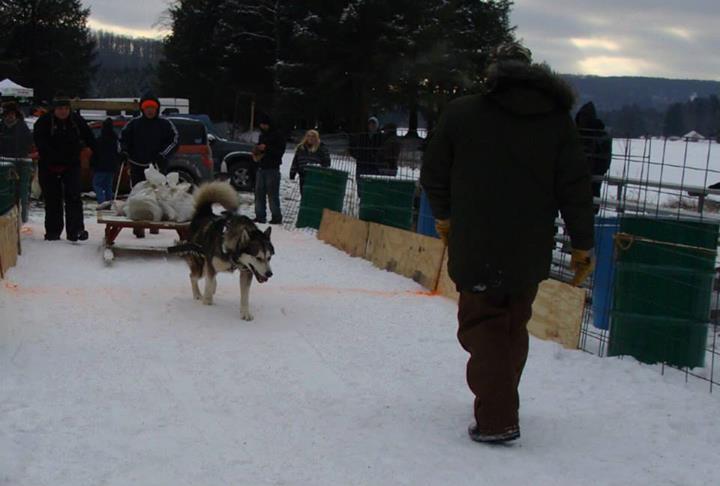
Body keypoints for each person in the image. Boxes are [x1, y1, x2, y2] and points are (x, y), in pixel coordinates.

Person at [420, 42, 595, 444]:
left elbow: (434, 172)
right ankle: (501, 399)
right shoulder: (557, 121)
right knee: (513, 325)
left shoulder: (463, 113)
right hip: (530, 246)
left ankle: (497, 418)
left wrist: (444, 216)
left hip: (477, 241)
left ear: (494, 73)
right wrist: (582, 243)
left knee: (482, 327)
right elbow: (575, 188)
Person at [33, 94, 97, 241]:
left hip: (71, 164)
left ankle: (76, 230)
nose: (63, 112)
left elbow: (90, 138)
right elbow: (40, 143)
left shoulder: (76, 121)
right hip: (48, 165)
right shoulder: (43, 122)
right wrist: (51, 158)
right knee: (52, 199)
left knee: (74, 197)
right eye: (60, 108)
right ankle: (53, 231)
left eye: (66, 108)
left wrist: (93, 155)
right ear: (54, 109)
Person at [120, 93, 178, 237]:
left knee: (158, 195)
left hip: (157, 166)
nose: (150, 110)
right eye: (147, 107)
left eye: (152, 107)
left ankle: (155, 223)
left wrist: (163, 155)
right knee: (138, 194)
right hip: (137, 164)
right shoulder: (133, 124)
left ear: (157, 109)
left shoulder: (165, 124)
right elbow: (123, 140)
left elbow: (174, 140)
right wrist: (123, 152)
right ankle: (138, 225)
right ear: (142, 109)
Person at [575, 102, 612, 214]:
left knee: (588, 211)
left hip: (590, 180)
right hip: (576, 180)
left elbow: (604, 161)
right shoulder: (575, 133)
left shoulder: (600, 136)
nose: (582, 120)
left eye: (585, 117)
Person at [253, 113, 285, 224]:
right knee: (258, 194)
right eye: (261, 125)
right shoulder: (262, 136)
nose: (262, 127)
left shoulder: (278, 135)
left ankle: (276, 217)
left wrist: (266, 148)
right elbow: (259, 149)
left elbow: (280, 152)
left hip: (273, 168)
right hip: (261, 167)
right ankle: (260, 215)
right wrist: (257, 150)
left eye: (264, 125)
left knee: (272, 195)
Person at [289, 129, 331, 194]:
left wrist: (323, 172)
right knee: (303, 193)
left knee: (313, 194)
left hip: (316, 176)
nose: (310, 138)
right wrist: (292, 173)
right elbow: (295, 161)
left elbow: (327, 161)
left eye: (313, 136)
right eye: (309, 136)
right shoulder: (301, 148)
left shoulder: (321, 148)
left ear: (316, 138)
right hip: (303, 175)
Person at [349, 116, 383, 196]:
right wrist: (357, 156)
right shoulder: (362, 136)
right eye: (370, 124)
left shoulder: (380, 137)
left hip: (374, 166)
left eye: (373, 124)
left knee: (371, 187)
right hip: (362, 164)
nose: (371, 126)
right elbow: (352, 147)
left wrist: (376, 158)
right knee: (360, 186)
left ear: (377, 126)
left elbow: (382, 151)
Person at [92, 118, 120, 204]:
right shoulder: (115, 139)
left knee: (97, 184)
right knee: (108, 185)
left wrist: (92, 163)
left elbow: (95, 152)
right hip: (112, 165)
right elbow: (117, 152)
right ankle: (109, 201)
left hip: (101, 165)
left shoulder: (100, 139)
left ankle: (102, 201)